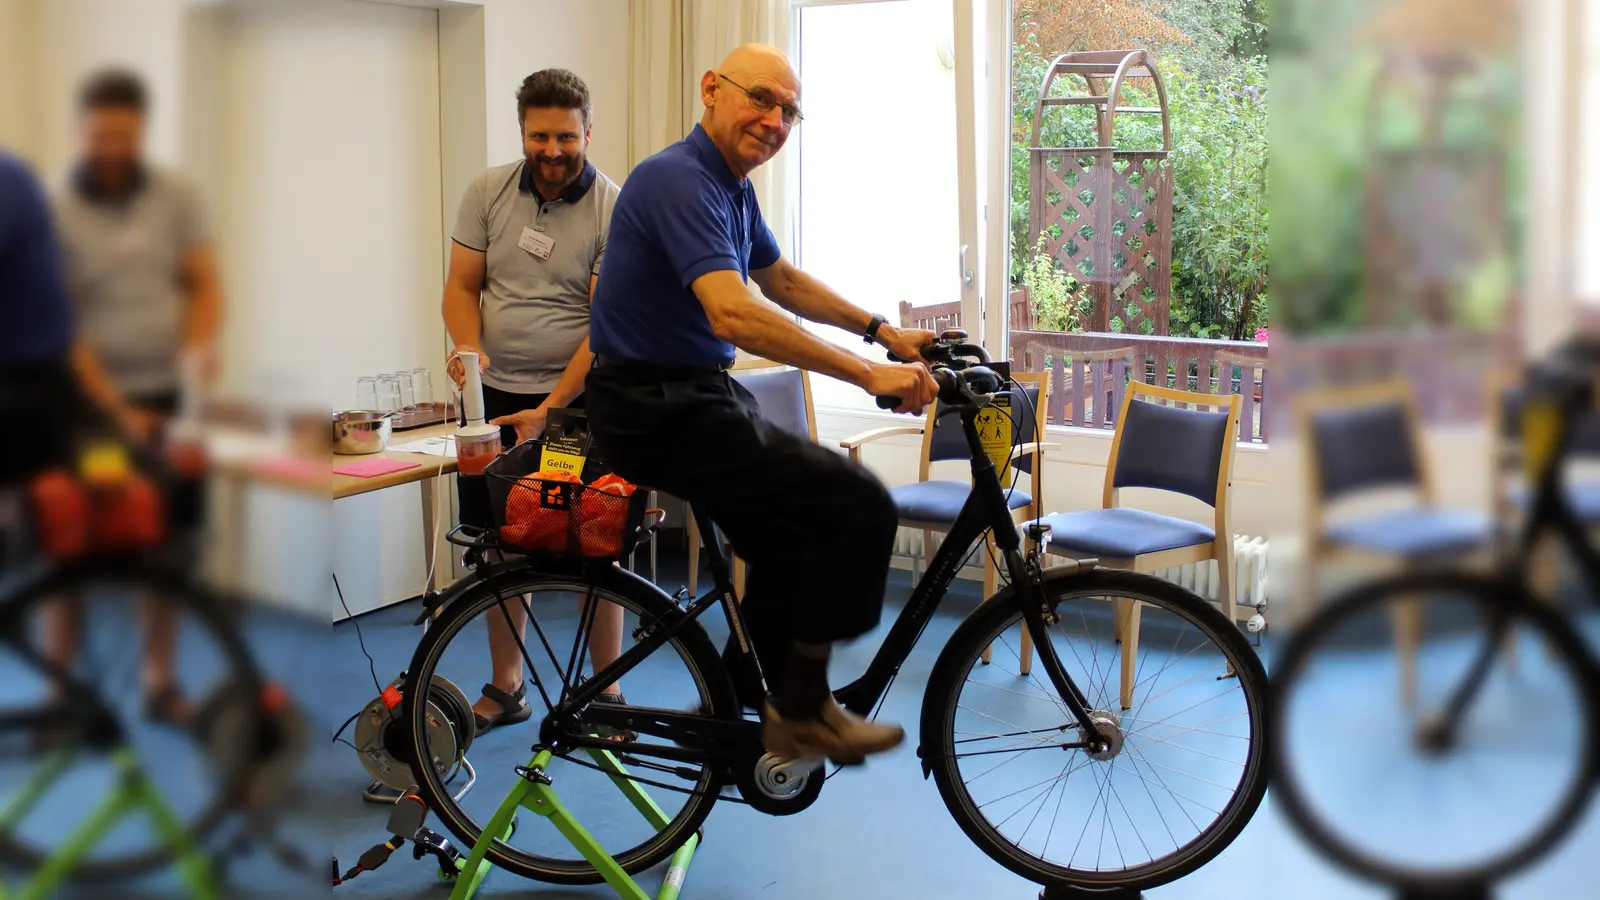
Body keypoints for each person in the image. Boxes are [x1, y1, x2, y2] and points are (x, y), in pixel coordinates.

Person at [586, 43, 939, 766]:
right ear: (712, 89)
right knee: (858, 504)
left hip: (693, 394)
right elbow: (733, 314)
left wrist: (882, 331)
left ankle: (738, 703)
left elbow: (779, 279)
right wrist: (866, 373)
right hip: (654, 404)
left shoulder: (729, 187)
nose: (775, 120)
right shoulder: (677, 181)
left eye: (789, 110)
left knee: (792, 536)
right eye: (761, 99)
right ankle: (803, 710)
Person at [441, 70, 627, 741]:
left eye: (566, 135)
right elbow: (462, 286)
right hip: (496, 401)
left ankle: (605, 697)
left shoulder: (613, 207)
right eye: (539, 135)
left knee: (591, 549)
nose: (553, 149)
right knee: (500, 546)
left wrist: (551, 406)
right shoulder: (486, 192)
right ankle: (507, 687)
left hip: (575, 407)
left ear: (588, 131)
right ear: (522, 131)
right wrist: (468, 349)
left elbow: (603, 326)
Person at [46, 68, 224, 728]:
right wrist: (118, 415)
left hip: (168, 403)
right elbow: (61, 322)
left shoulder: (175, 197)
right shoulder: (58, 209)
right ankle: (63, 688)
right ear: (81, 133)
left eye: (123, 135)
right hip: (92, 413)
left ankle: (160, 682)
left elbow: (205, 284)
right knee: (77, 547)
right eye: (99, 135)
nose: (112, 148)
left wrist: (193, 361)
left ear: (140, 132)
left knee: (168, 546)